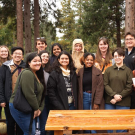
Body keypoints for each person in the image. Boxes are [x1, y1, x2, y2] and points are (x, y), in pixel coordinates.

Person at [9, 52, 46, 135]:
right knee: (30, 132)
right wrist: (36, 108)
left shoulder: (37, 74)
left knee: (31, 132)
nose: (38, 63)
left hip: (29, 106)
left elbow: (42, 94)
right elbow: (29, 94)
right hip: (19, 107)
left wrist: (40, 108)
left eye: (39, 61)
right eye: (35, 61)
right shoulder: (27, 73)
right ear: (29, 62)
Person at [104, 48, 133, 133]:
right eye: (115, 56)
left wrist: (118, 97)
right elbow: (105, 84)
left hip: (124, 102)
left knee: (122, 126)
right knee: (109, 124)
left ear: (123, 56)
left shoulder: (128, 71)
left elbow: (129, 87)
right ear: (113, 58)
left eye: (119, 56)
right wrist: (114, 95)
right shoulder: (108, 70)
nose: (117, 58)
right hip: (110, 102)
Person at [0, 47, 25, 135]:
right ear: (12, 55)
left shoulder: (26, 67)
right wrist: (2, 99)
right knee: (10, 123)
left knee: (20, 123)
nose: (17, 55)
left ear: (22, 56)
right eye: (15, 53)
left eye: (20, 54)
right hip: (9, 99)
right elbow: (1, 84)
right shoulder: (5, 66)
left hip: (23, 100)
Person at [78, 52, 104, 133]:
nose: (89, 61)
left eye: (91, 60)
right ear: (84, 60)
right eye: (87, 60)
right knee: (85, 117)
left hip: (94, 96)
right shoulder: (80, 72)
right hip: (84, 97)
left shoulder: (98, 72)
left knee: (95, 117)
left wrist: (97, 102)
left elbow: (100, 88)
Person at [38, 50, 50, 135]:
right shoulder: (36, 69)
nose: (45, 58)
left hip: (49, 97)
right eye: (43, 56)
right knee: (43, 120)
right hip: (39, 98)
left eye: (47, 57)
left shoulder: (49, 69)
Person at [123, 32, 135, 109]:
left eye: (131, 39)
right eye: (127, 39)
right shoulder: (123, 53)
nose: (129, 41)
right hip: (124, 85)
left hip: (133, 85)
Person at [0, 45, 11, 119]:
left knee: (9, 117)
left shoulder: (11, 63)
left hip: (7, 93)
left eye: (5, 51)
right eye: (2, 51)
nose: (4, 53)